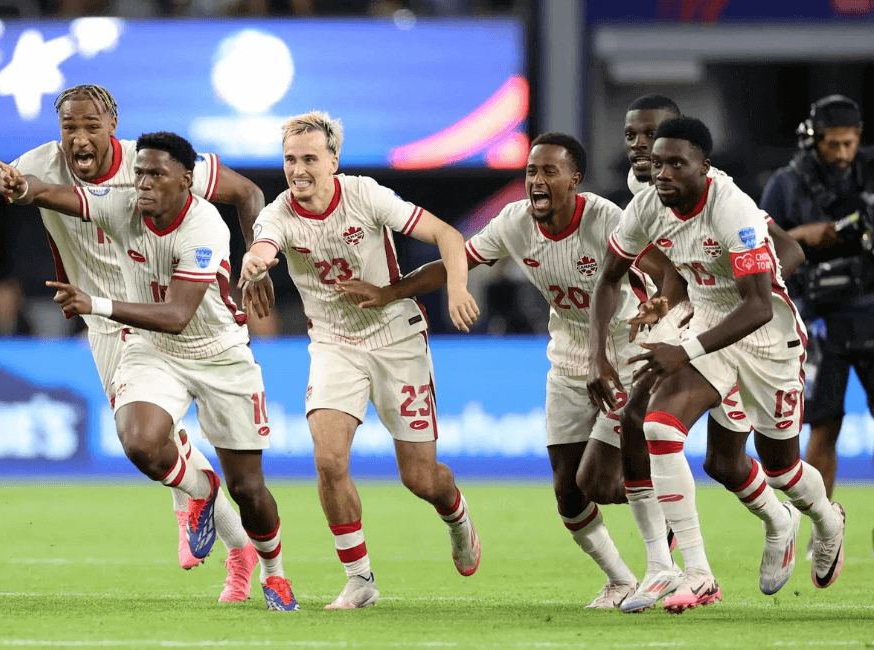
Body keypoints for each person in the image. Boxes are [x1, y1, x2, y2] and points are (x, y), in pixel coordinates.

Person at [0, 85, 270, 601]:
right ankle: (214, 513)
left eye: (92, 125)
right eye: (70, 127)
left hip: (170, 309)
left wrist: (257, 259)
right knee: (148, 448)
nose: (80, 137)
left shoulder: (151, 163)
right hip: (107, 323)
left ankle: (226, 536)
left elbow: (247, 193)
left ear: (113, 123)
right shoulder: (37, 165)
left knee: (153, 442)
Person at [331, 132, 689, 610]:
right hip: (565, 360)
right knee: (568, 494)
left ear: (575, 180)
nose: (535, 182)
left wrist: (663, 304)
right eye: (530, 173)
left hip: (624, 355)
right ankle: (621, 580)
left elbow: (668, 271)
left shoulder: (608, 220)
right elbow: (456, 259)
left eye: (548, 172)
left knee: (599, 482)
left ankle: (667, 541)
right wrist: (392, 292)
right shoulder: (514, 223)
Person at [0, 132, 300, 612]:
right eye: (140, 174)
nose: (145, 184)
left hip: (219, 354)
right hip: (155, 351)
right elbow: (58, 194)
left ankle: (274, 572)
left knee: (250, 491)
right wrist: (21, 187)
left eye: (157, 175)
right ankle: (199, 488)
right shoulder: (122, 205)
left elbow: (178, 314)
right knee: (138, 439)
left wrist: (96, 303)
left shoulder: (205, 227)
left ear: (187, 181)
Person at [588, 116, 847, 614]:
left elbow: (755, 304)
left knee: (782, 470)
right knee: (660, 428)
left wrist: (682, 350)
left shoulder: (735, 210)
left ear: (704, 167)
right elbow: (609, 277)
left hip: (767, 339)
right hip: (708, 324)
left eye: (675, 163)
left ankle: (825, 520)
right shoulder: (645, 206)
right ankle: (698, 574)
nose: (661, 172)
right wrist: (599, 355)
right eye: (657, 163)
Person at [239, 110, 481, 610]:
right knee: (328, 458)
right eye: (290, 159)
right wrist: (255, 266)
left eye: (309, 158)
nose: (298, 169)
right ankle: (360, 579)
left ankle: (456, 516)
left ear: (333, 161)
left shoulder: (365, 194)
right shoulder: (278, 214)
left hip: (397, 339)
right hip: (334, 344)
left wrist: (457, 288)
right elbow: (262, 247)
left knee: (420, 478)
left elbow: (448, 237)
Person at [760, 95, 874, 510]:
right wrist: (803, 235)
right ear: (813, 138)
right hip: (819, 319)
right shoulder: (785, 184)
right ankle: (822, 527)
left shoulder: (869, 171)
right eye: (833, 144)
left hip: (870, 308)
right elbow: (757, 247)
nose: (843, 153)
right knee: (824, 425)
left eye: (850, 143)